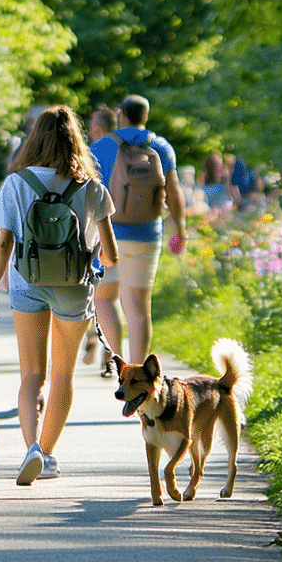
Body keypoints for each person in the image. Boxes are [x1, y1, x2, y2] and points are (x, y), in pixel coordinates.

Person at [0, 105, 118, 486]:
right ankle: (49, 452)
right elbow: (111, 253)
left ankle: (31, 450)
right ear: (77, 140)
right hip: (74, 287)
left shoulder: (17, 183)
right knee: (62, 374)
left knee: (31, 375)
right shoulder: (93, 187)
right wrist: (93, 262)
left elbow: (3, 243)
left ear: (34, 139)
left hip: (27, 283)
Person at [89, 94, 186, 366]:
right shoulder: (162, 147)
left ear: (120, 114)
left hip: (107, 233)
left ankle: (116, 362)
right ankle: (138, 370)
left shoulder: (101, 147)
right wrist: (180, 228)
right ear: (146, 115)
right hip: (147, 233)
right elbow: (174, 191)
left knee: (104, 299)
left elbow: (87, 191)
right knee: (139, 309)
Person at [82, 105, 122, 378]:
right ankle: (112, 357)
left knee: (91, 296)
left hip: (93, 234)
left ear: (95, 129)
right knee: (112, 300)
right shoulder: (127, 150)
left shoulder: (90, 154)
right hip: (128, 233)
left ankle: (93, 339)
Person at [199, 151, 231, 217]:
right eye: (218, 167)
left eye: (221, 166)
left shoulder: (223, 184)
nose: (221, 170)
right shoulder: (209, 188)